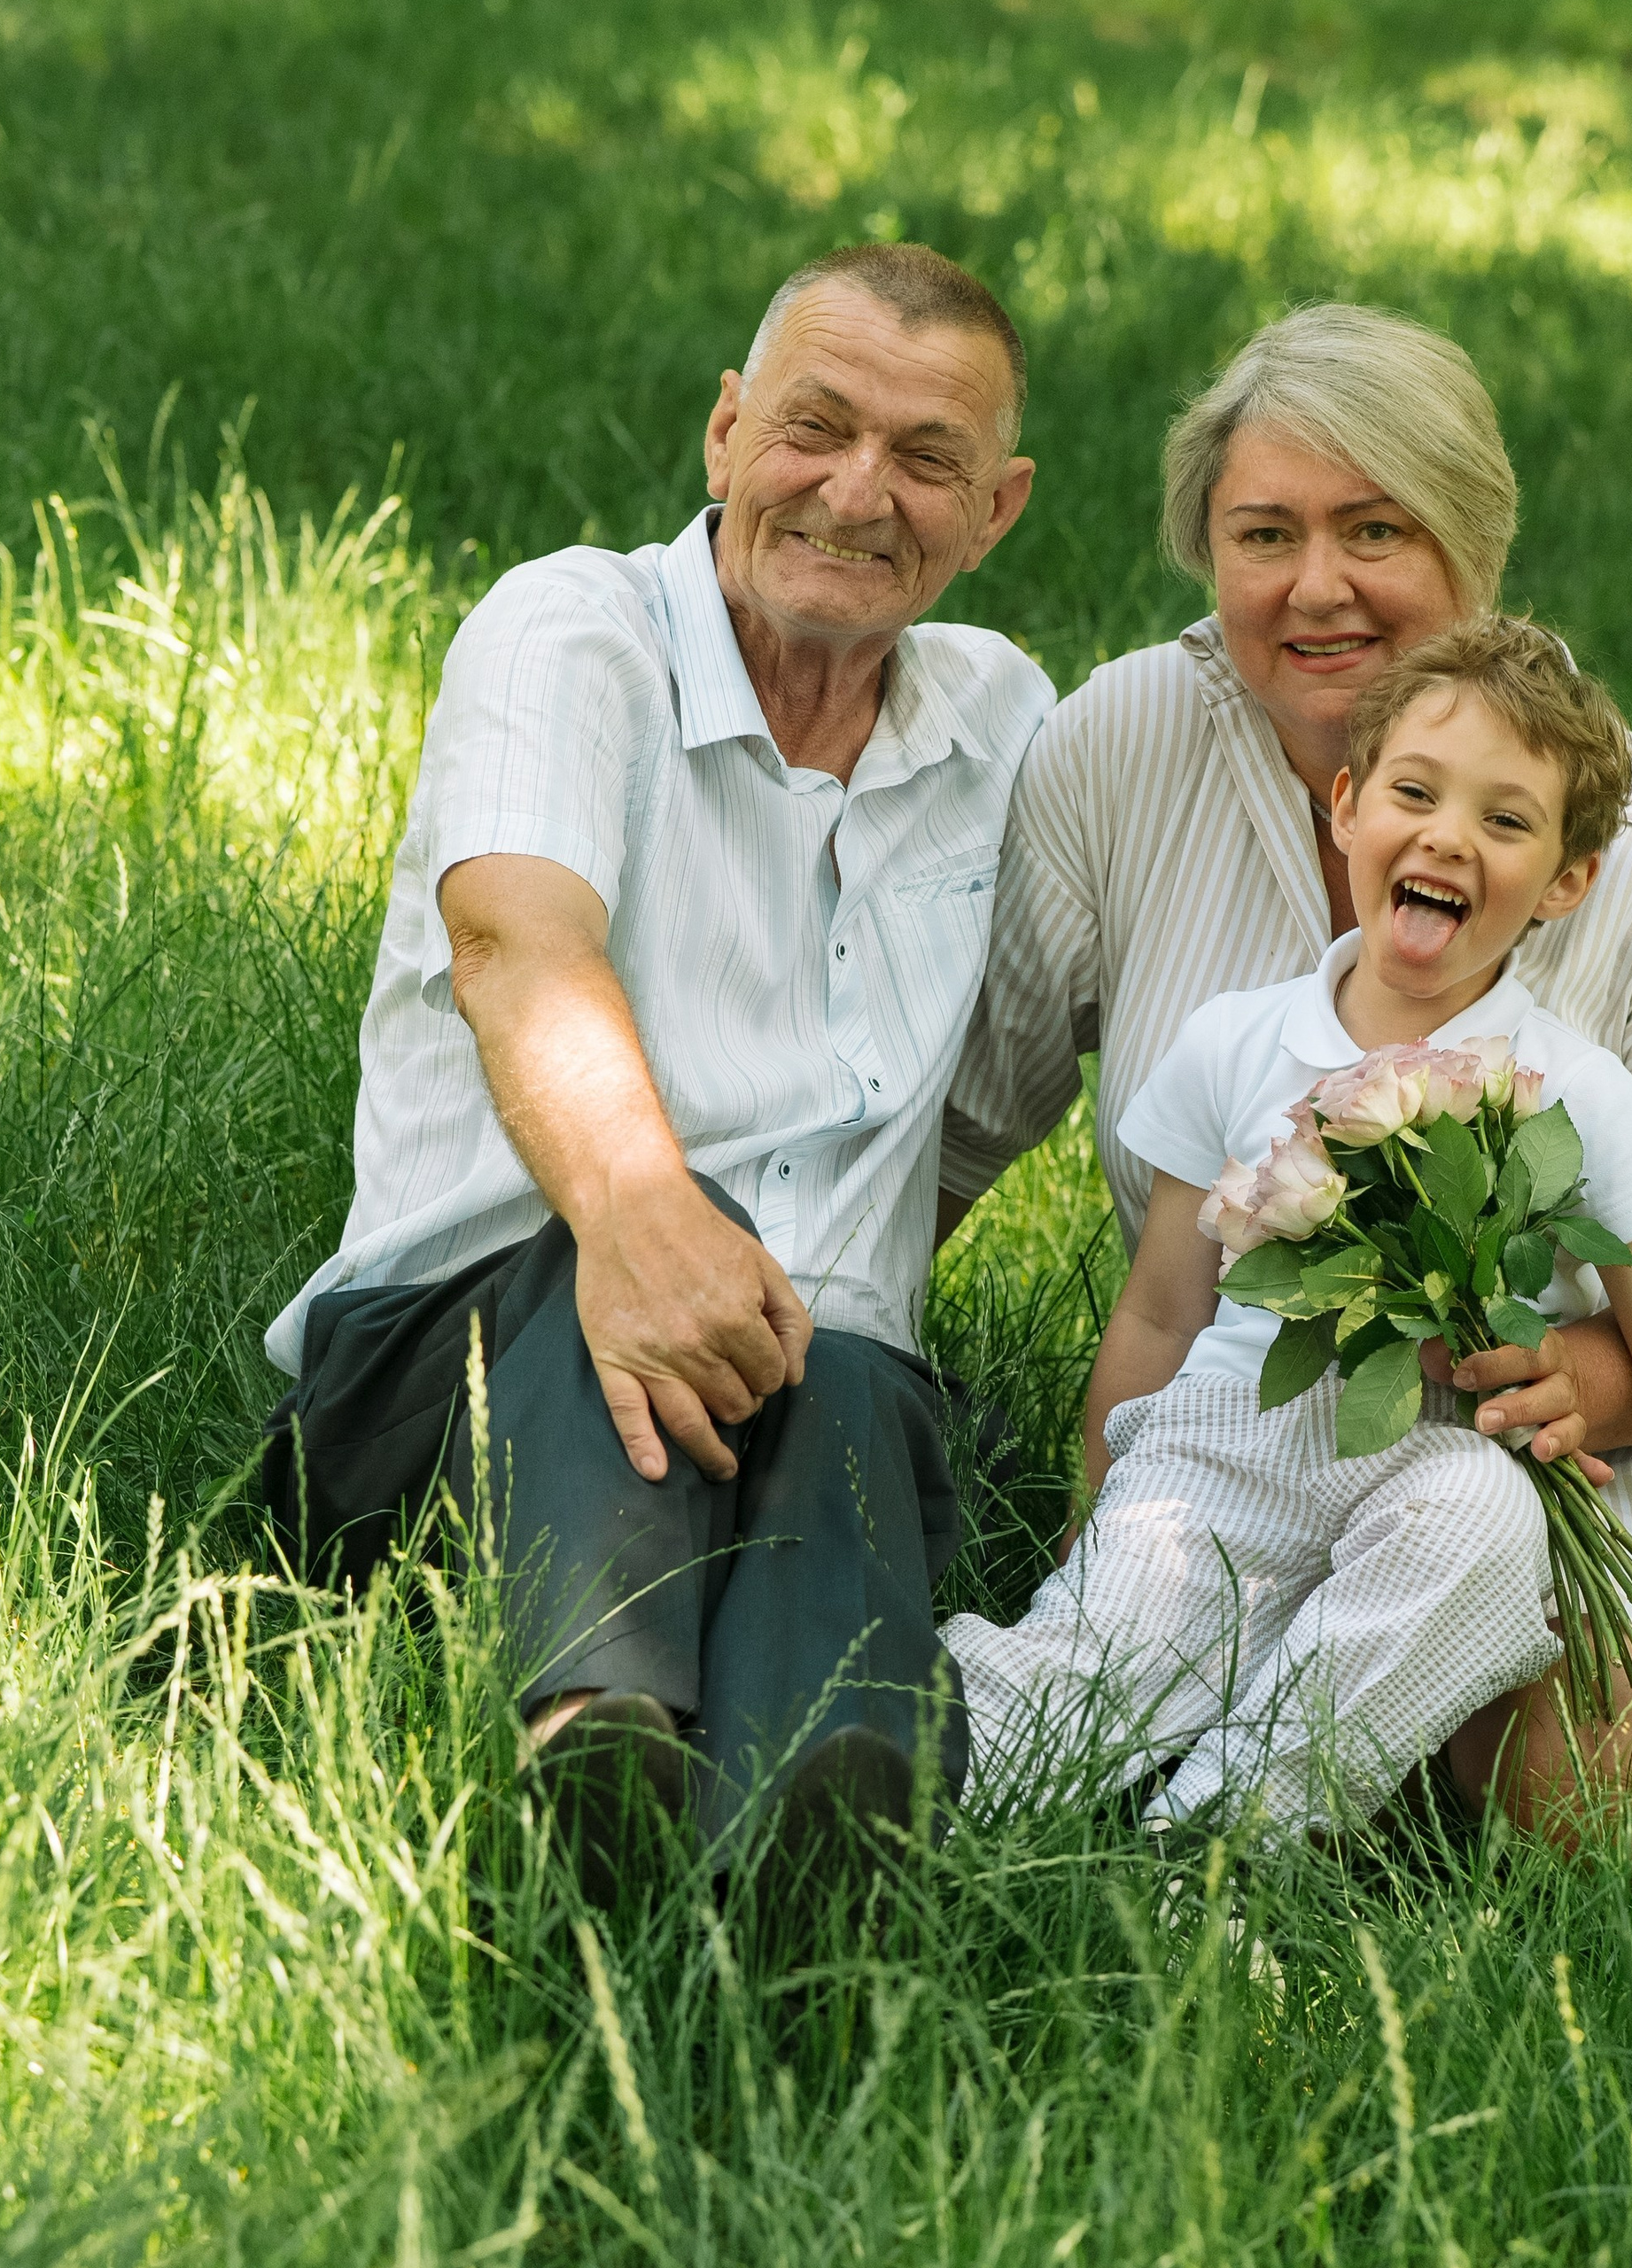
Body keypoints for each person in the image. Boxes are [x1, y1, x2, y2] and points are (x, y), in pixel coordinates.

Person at [938, 302, 1632, 1904]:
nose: (1317, 585)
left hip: (1628, 1455)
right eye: (1266, 533)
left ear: (1473, 543)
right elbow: (974, 1127)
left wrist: (1581, 1376)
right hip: (1261, 1435)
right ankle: (965, 1783)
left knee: (1542, 1746)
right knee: (1172, 1626)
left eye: (1375, 530)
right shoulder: (1121, 744)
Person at [261, 242, 1049, 1897]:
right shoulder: (573, 632)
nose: (857, 491)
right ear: (725, 431)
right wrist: (639, 1216)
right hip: (463, 1362)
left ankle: (821, 1822)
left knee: (850, 1365)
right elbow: (517, 944)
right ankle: (591, 1738)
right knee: (658, 1252)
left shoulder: (1006, 723)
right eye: (814, 428)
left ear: (998, 511)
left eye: (926, 460)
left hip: (810, 1383)